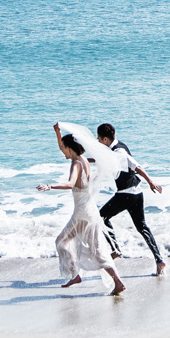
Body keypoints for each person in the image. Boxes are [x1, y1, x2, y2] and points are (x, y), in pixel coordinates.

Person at [37, 124, 127, 295]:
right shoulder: (83, 160)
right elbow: (62, 146)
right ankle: (117, 282)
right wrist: (58, 133)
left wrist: (50, 186)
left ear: (70, 149)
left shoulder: (76, 164)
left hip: (81, 215)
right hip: (89, 212)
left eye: (64, 148)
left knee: (61, 242)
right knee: (96, 251)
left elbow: (70, 184)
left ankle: (75, 275)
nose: (62, 151)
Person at [95, 122, 166, 276]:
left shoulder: (119, 151)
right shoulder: (117, 147)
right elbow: (105, 159)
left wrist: (151, 182)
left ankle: (115, 249)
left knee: (100, 217)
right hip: (136, 193)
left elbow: (136, 166)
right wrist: (85, 160)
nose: (99, 142)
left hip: (126, 194)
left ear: (106, 139)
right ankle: (159, 260)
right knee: (142, 227)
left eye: (99, 139)